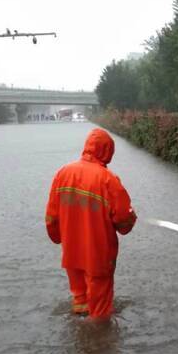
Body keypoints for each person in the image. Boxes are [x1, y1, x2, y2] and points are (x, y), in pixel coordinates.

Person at [45, 127, 136, 320]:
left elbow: (51, 216)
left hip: (72, 252)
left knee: (80, 299)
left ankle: (80, 335)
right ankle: (99, 341)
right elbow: (123, 220)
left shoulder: (63, 173)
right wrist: (130, 219)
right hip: (98, 254)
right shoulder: (108, 179)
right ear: (107, 151)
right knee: (101, 310)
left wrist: (56, 237)